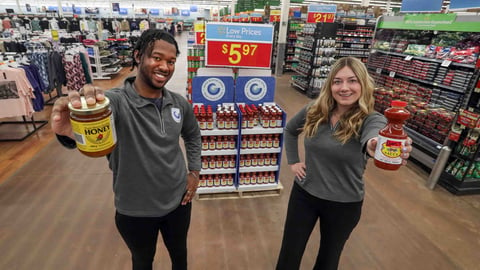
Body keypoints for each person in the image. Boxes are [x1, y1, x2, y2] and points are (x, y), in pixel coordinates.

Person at [51, 29, 201, 270]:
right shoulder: (115, 102)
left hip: (178, 202)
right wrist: (72, 131)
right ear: (138, 56)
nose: (165, 66)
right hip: (135, 210)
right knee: (142, 262)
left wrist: (194, 172)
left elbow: (192, 135)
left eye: (171, 61)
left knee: (179, 257)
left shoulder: (178, 103)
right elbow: (92, 131)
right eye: (157, 57)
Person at [276, 56, 412, 270]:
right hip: (304, 195)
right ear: (330, 85)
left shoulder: (371, 119)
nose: (344, 88)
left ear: (363, 85)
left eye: (352, 80)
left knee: (328, 260)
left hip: (343, 204)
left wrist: (377, 146)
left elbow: (373, 139)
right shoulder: (315, 109)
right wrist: (293, 161)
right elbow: (291, 130)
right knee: (289, 255)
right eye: (337, 81)